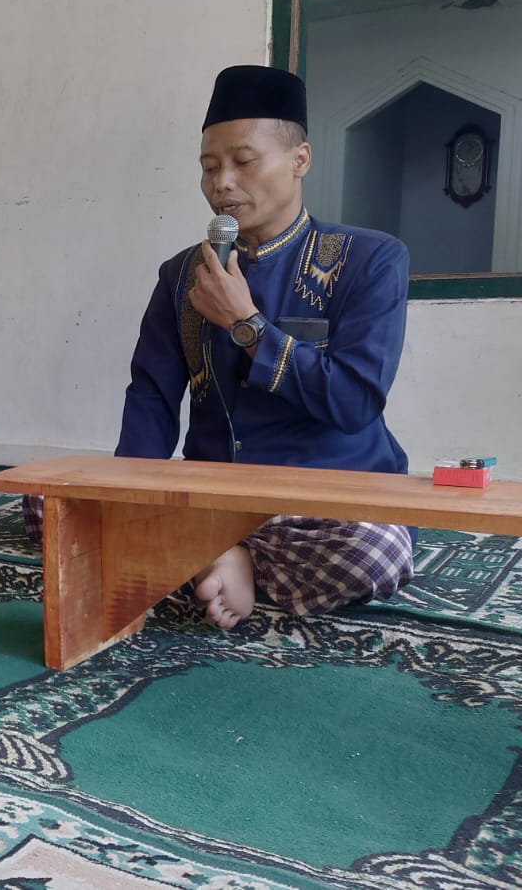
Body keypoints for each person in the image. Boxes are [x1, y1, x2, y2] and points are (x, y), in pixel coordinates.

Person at [113, 64, 413, 629]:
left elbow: (355, 402)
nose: (222, 183)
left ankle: (233, 560)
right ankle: (222, 556)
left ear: (300, 159)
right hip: (212, 496)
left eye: (243, 162)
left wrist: (245, 323)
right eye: (209, 167)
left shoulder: (369, 260)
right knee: (49, 507)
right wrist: (124, 498)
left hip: (327, 501)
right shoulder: (182, 275)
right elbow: (151, 397)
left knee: (375, 551)